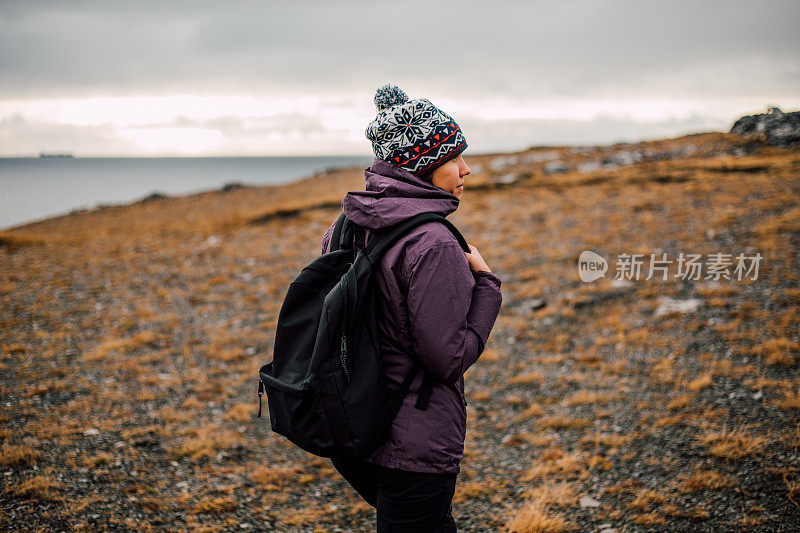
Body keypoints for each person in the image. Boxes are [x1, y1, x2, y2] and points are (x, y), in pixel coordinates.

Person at [320, 84, 502, 532]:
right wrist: (488, 287)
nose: (467, 169)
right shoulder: (434, 242)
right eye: (454, 157)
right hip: (414, 444)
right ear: (422, 165)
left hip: (354, 426)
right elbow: (448, 359)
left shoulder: (347, 223)